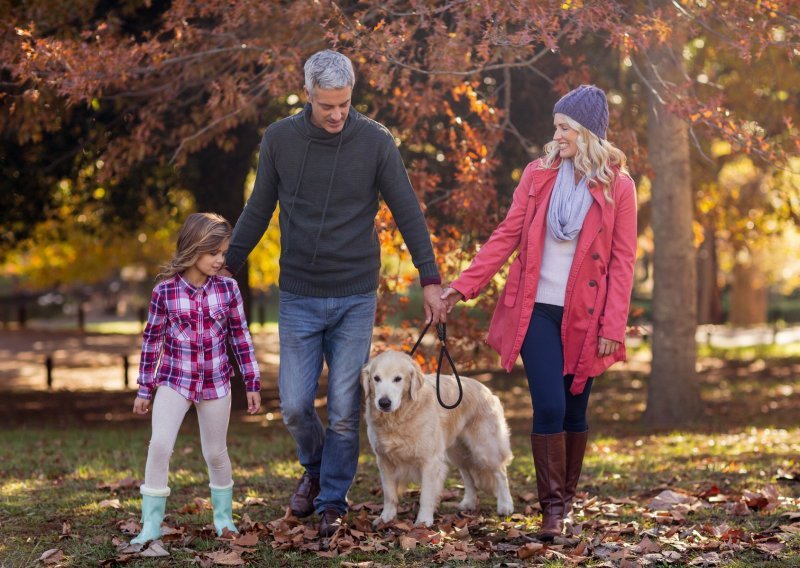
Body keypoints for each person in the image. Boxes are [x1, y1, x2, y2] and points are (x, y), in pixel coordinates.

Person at [221, 49, 444, 537]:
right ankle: (317, 468)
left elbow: (407, 210)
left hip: (354, 295)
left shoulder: (375, 141)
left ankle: (332, 502)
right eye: (327, 105)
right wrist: (226, 266)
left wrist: (430, 278)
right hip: (299, 294)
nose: (338, 114)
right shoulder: (279, 140)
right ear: (307, 95)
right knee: (297, 405)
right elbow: (258, 209)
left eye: (345, 103)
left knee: (345, 411)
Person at [442, 85, 637, 540]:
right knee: (548, 403)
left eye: (565, 127)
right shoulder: (538, 174)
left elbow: (622, 262)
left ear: (587, 132)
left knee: (574, 410)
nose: (557, 135)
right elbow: (505, 236)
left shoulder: (618, 186)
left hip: (587, 319)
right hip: (535, 312)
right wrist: (462, 287)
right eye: (556, 126)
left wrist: (613, 326)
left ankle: (565, 502)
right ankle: (552, 511)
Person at [131, 212, 261, 545]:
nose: (220, 260)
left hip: (217, 383)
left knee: (215, 453)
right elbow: (152, 341)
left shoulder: (229, 289)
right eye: (213, 253)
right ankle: (150, 525)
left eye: (224, 253)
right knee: (159, 445)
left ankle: (223, 519)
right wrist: (145, 388)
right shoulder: (165, 292)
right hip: (175, 381)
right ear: (193, 249)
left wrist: (251, 381)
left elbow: (240, 337)